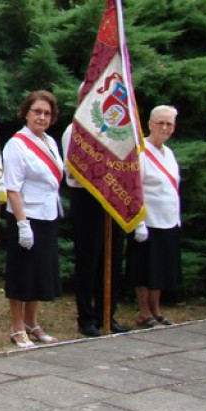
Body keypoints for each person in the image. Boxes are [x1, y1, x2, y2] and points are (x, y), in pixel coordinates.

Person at [3, 91, 63, 349]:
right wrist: (22, 225)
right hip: (25, 217)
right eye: (37, 111)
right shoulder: (16, 144)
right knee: (21, 274)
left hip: (47, 215)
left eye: (47, 113)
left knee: (39, 272)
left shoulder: (50, 142)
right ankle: (17, 328)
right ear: (26, 113)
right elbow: (13, 188)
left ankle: (32, 323)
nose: (42, 117)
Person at [62, 99, 127, 337]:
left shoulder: (116, 132)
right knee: (88, 261)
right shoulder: (74, 131)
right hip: (87, 197)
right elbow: (71, 172)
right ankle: (86, 317)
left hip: (112, 198)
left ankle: (107, 314)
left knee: (112, 258)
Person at [127, 106, 183, 328]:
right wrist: (138, 222)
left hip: (167, 218)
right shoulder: (140, 152)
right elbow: (134, 189)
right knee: (144, 268)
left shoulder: (168, 153)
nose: (165, 128)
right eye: (161, 123)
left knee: (160, 268)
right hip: (147, 220)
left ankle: (156, 308)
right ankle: (144, 311)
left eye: (169, 124)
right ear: (150, 124)